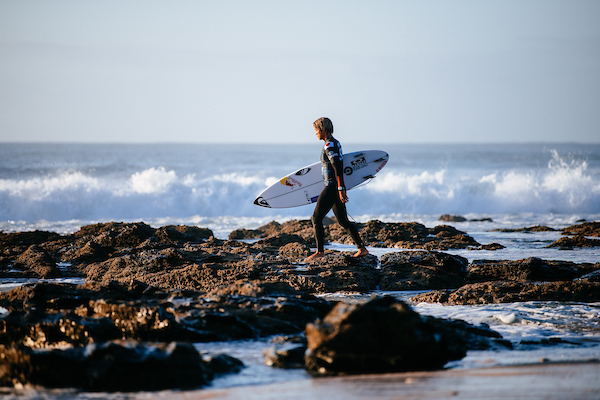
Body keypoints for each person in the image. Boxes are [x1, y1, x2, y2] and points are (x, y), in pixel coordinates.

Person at [305, 117, 369, 260]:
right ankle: (362, 249)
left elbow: (337, 166)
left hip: (332, 187)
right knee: (343, 221)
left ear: (323, 130)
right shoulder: (335, 142)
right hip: (335, 186)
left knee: (316, 218)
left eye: (316, 130)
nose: (315, 133)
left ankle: (320, 252)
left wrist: (340, 188)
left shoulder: (329, 145)